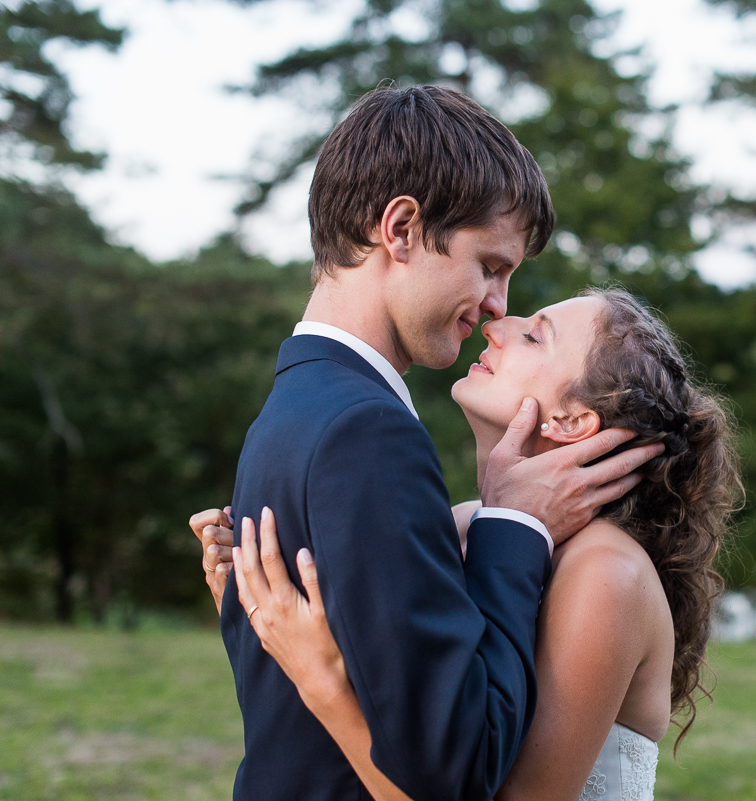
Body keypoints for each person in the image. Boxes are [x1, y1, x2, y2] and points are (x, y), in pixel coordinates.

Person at [191, 84, 664, 801]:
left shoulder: (291, 410)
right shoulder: (367, 431)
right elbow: (454, 763)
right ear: (402, 228)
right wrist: (513, 523)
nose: (498, 307)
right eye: (491, 265)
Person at [197, 288, 741, 801]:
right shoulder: (461, 527)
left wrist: (319, 679)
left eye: (534, 336)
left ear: (572, 421)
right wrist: (251, 608)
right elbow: (406, 723)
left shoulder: (606, 571)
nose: (495, 325)